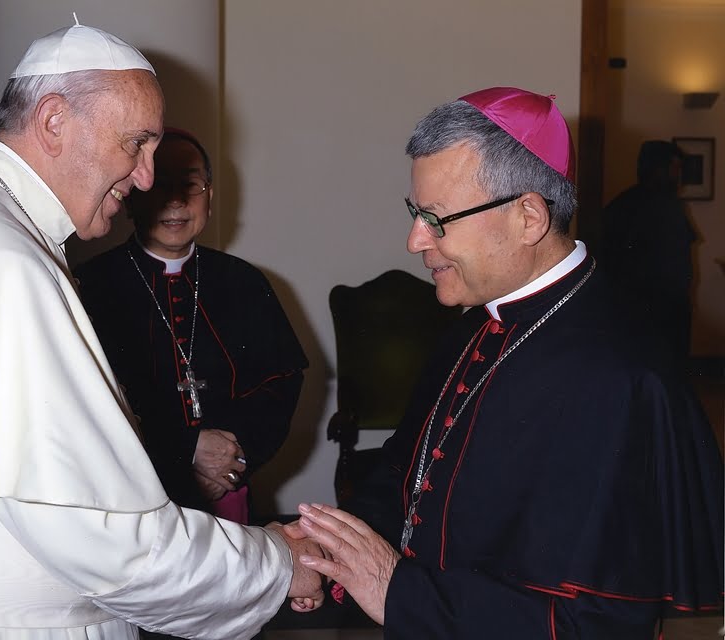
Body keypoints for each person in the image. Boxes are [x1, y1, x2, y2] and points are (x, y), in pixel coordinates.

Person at [0, 20, 323, 640]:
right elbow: (108, 541)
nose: (146, 177)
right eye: (136, 143)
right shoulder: (4, 257)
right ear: (53, 121)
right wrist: (272, 562)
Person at [287, 87, 724, 637]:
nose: (414, 239)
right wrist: (325, 553)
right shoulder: (476, 324)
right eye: (414, 212)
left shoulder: (618, 379)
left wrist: (399, 591)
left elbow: (596, 621)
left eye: (436, 218)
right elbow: (408, 471)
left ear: (528, 218)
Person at [75, 128, 308, 526]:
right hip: (131, 497)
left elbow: (280, 383)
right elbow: (85, 401)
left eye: (191, 184)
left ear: (211, 197)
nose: (177, 200)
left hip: (227, 488)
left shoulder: (245, 282)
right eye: (160, 185)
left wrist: (230, 461)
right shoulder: (91, 286)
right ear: (132, 197)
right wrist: (186, 451)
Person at [600, 140, 696, 369]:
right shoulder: (663, 207)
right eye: (675, 168)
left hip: (636, 316)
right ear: (659, 168)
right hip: (656, 315)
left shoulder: (620, 205)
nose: (678, 175)